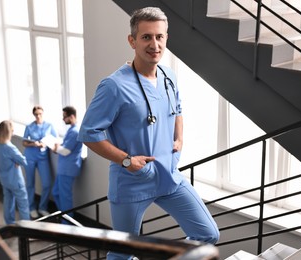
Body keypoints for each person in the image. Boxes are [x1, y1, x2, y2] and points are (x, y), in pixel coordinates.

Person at [78, 7, 220, 259]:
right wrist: (126, 161)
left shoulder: (169, 77)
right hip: (131, 182)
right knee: (123, 253)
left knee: (208, 234)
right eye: (146, 37)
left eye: (159, 37)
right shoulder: (114, 86)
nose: (154, 44)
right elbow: (89, 133)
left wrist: (179, 138)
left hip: (168, 175)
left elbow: (177, 108)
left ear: (166, 38)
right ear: (132, 40)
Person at [22, 105, 57, 219]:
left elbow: (55, 140)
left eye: (40, 114)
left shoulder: (49, 126)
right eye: (36, 114)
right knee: (30, 183)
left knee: (47, 184)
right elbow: (24, 142)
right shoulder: (29, 126)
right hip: (30, 157)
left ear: (43, 113)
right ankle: (31, 208)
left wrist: (46, 144)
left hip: (43, 158)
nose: (38, 116)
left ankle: (42, 207)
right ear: (34, 115)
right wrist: (33, 144)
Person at [52, 106, 83, 223]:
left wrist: (55, 148)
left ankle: (67, 224)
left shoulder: (75, 131)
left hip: (68, 169)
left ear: (72, 116)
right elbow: (65, 146)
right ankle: (64, 217)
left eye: (64, 117)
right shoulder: (71, 129)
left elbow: (66, 151)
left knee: (65, 197)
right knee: (56, 192)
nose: (63, 119)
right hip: (63, 168)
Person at [0, 120, 30, 224]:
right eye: (12, 130)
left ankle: (9, 225)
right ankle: (27, 228)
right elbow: (24, 161)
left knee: (8, 202)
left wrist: (15, 161)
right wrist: (17, 161)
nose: (13, 133)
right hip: (15, 181)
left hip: (5, 180)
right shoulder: (10, 147)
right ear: (8, 132)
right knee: (23, 205)